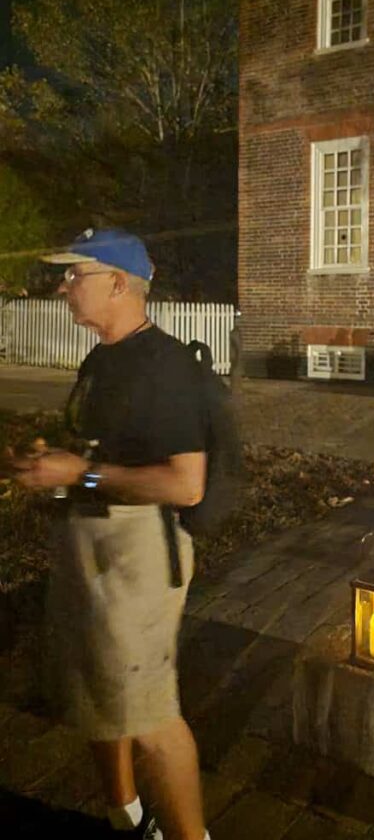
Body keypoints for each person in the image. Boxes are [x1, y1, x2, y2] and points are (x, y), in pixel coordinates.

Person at [13, 228, 211, 840]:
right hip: (85, 544)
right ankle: (125, 817)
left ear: (119, 283)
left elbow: (186, 486)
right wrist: (51, 464)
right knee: (98, 691)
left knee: (150, 717)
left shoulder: (166, 365)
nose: (63, 287)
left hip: (136, 558)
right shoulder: (100, 360)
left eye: (76, 275)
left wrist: (83, 475)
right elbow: (93, 454)